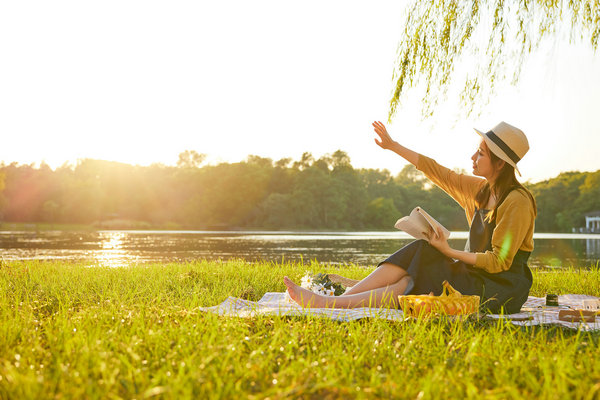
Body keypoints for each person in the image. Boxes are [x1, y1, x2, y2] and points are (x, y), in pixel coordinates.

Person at [284, 120, 537, 314]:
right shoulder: (481, 190)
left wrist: (448, 252)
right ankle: (334, 301)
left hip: (499, 288)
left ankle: (330, 304)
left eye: (481, 154)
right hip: (472, 275)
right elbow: (437, 171)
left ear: (501, 164)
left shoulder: (517, 201)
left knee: (415, 276)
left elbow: (498, 262)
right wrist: (393, 146)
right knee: (419, 254)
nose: (473, 157)